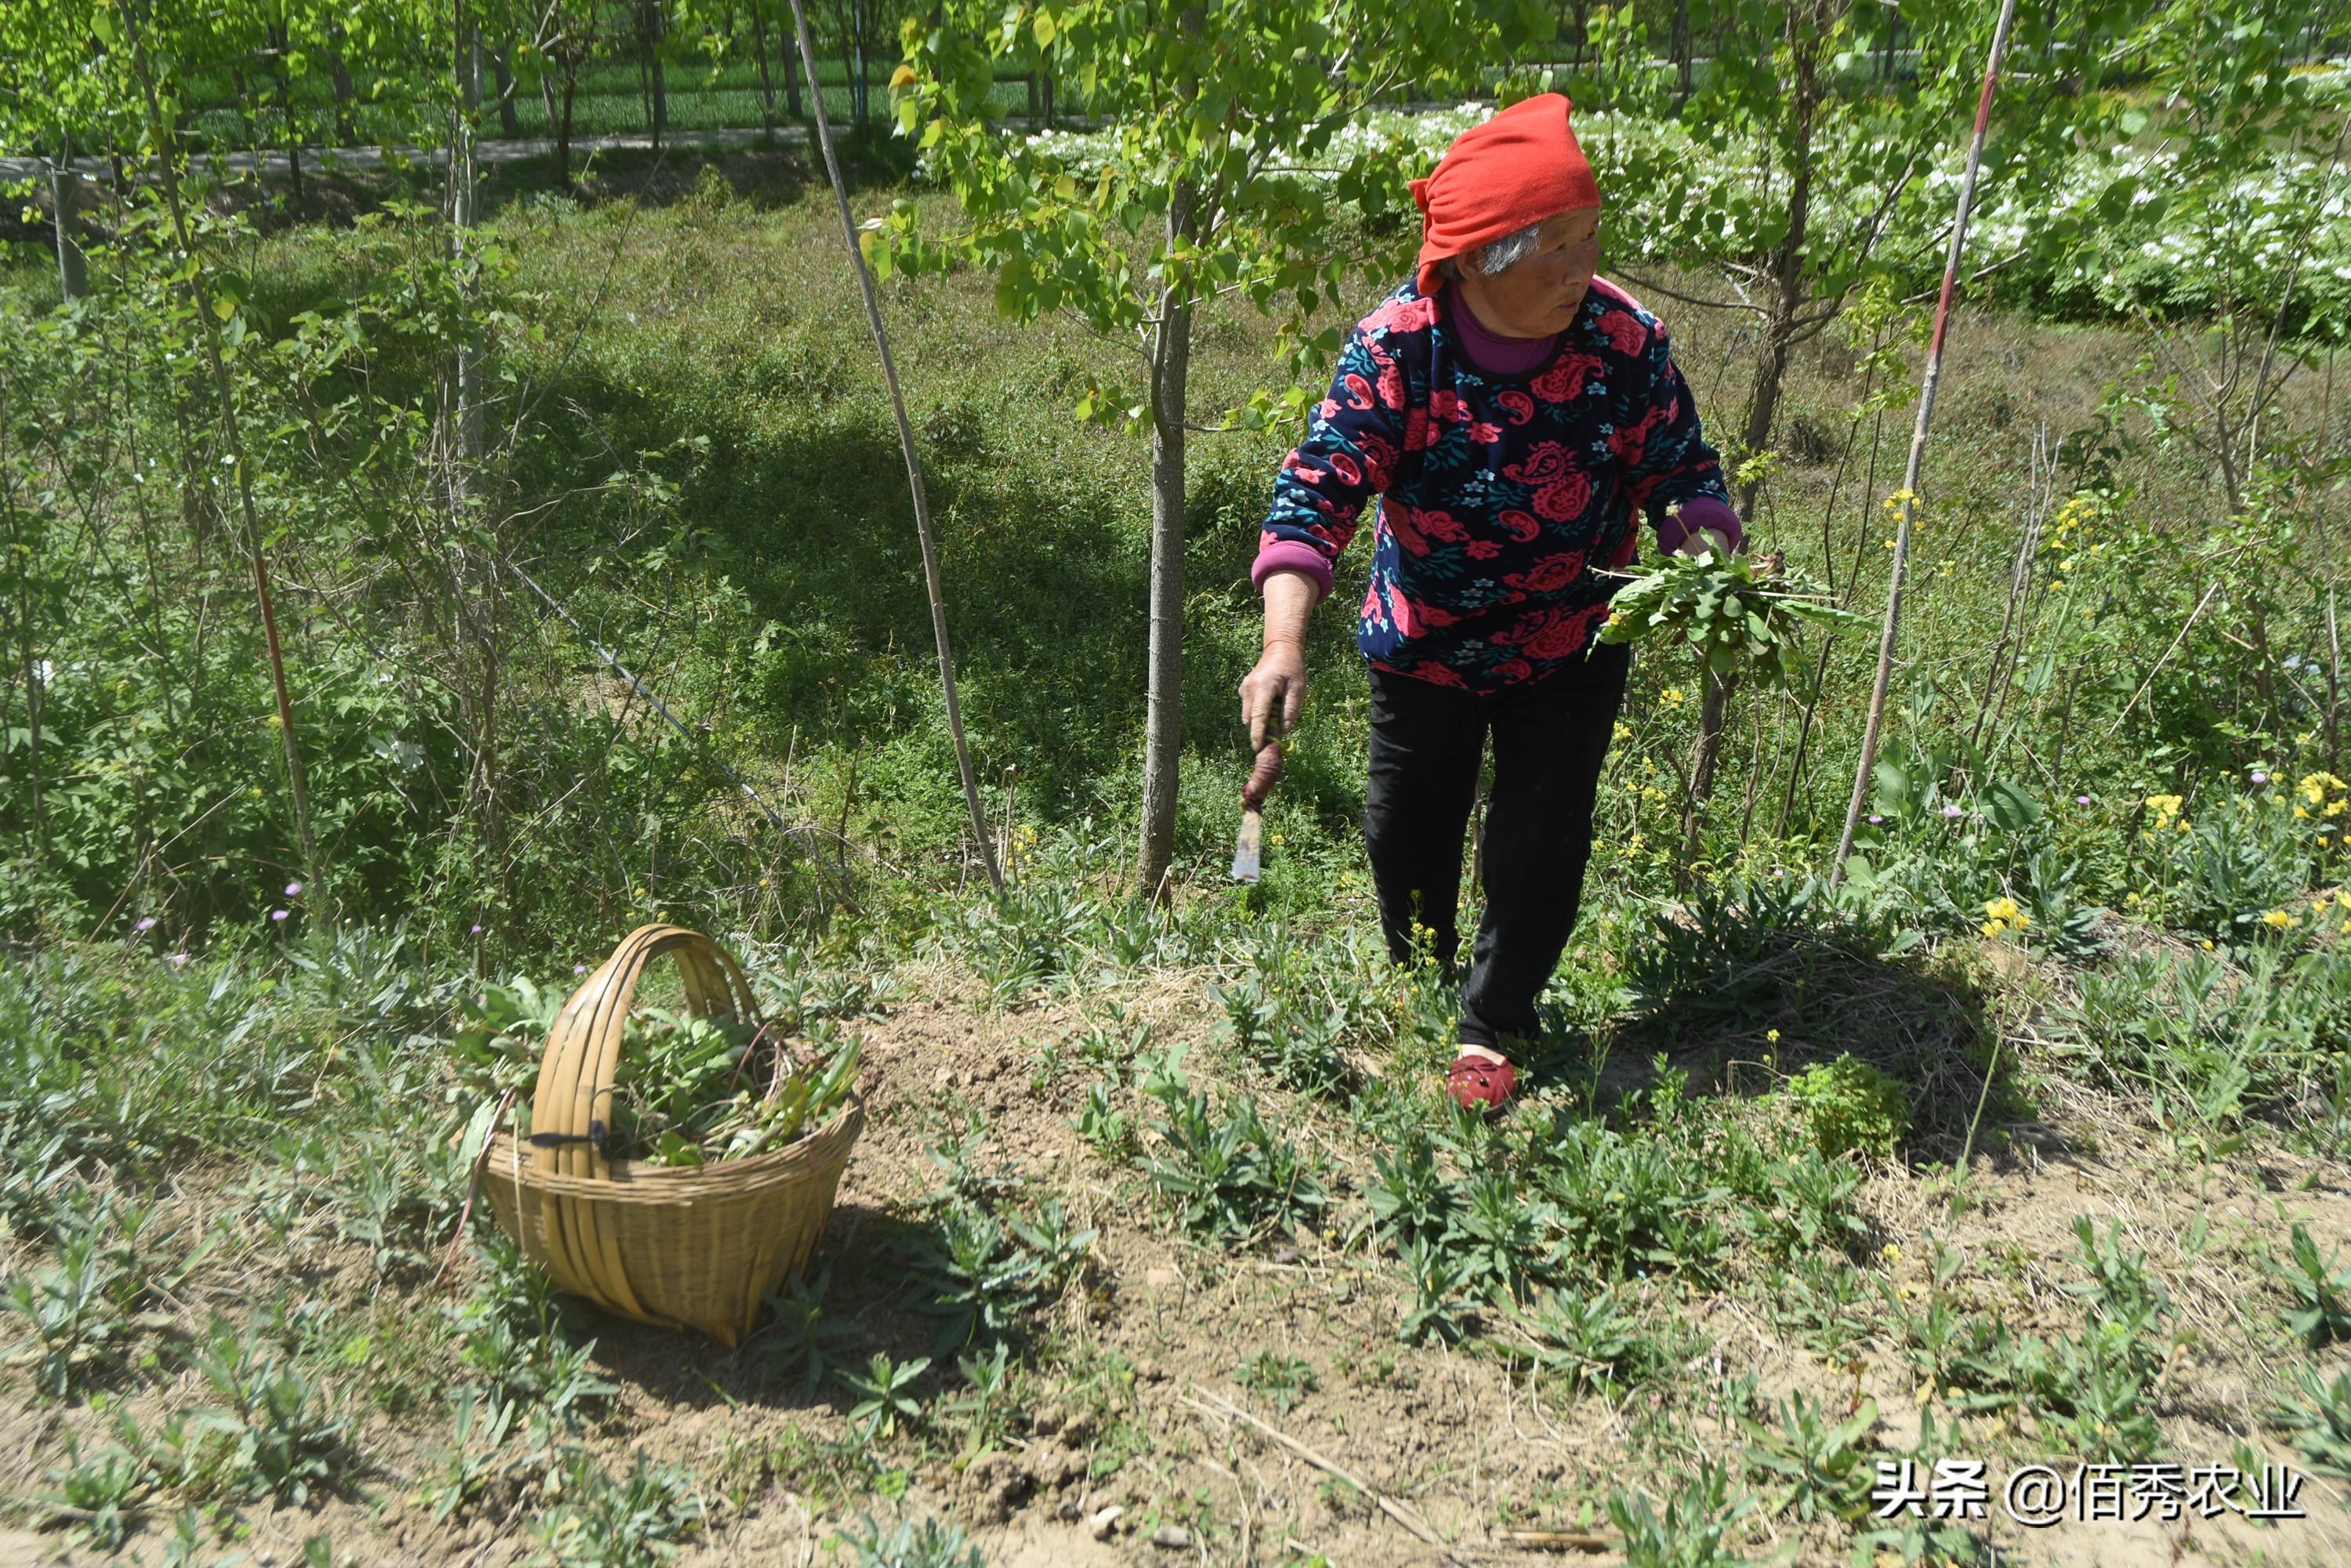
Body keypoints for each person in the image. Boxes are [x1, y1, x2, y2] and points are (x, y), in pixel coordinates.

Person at [1237, 93, 1741, 1112]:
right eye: (1552, 249)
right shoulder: (1401, 349)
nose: (1581, 268)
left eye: (1588, 238)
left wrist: (1709, 560)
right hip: (1426, 642)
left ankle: (1493, 1021)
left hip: (1571, 641)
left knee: (1542, 837)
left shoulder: (1623, 342)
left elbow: (1682, 474)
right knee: (1403, 832)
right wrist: (1283, 641)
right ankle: (1424, 987)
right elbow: (1317, 491)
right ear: (1476, 260)